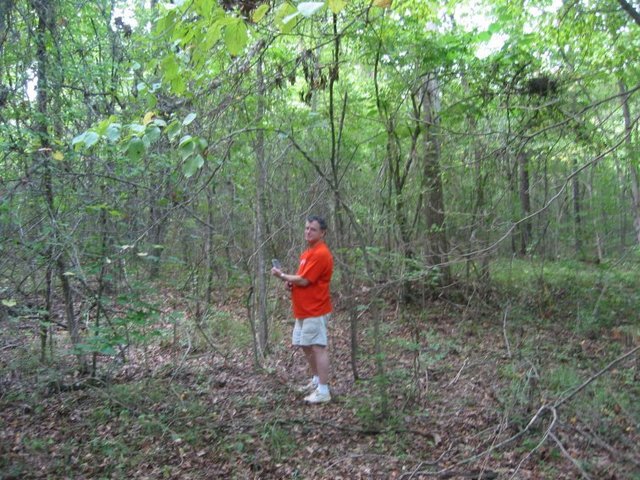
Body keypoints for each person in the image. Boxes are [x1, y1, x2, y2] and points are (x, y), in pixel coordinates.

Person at [271, 215, 334, 404]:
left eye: (313, 229)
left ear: (322, 233)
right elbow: (302, 278)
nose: (308, 232)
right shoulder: (307, 253)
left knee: (318, 347)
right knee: (305, 344)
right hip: (303, 310)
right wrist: (291, 283)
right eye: (307, 228)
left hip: (316, 308)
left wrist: (282, 275)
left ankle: (323, 391)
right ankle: (316, 381)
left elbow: (305, 280)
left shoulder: (321, 253)